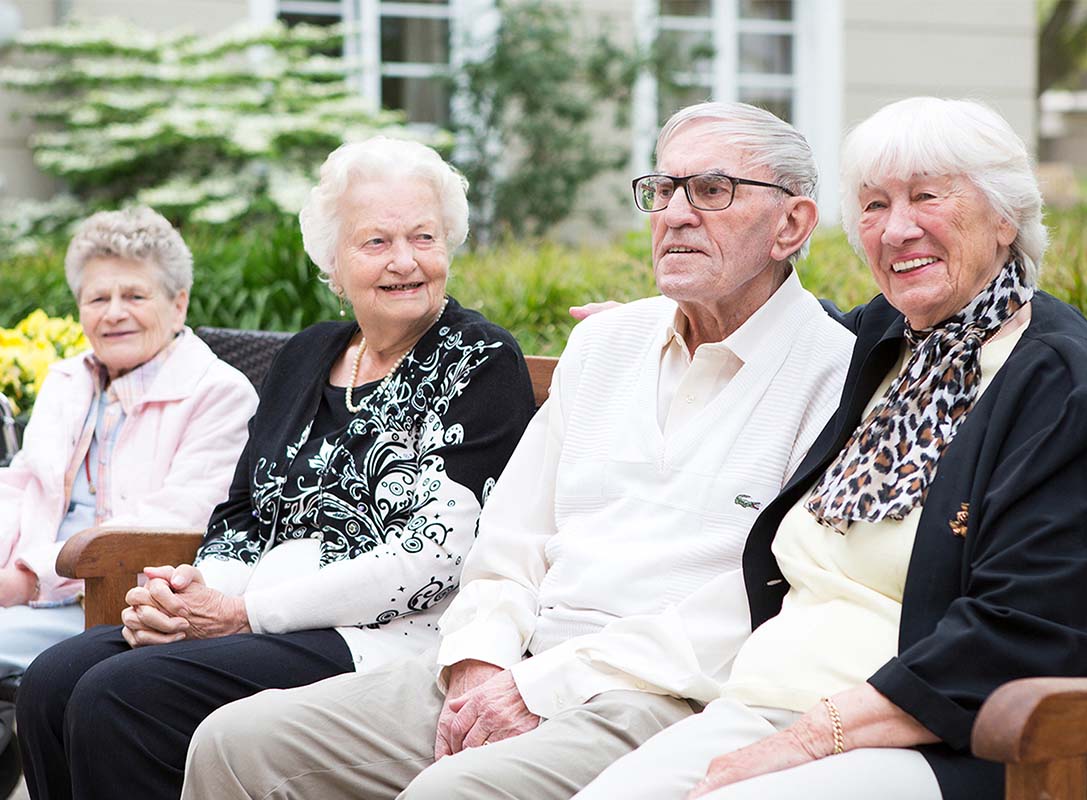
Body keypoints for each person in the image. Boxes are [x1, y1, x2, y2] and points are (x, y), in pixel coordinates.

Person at [179, 102, 856, 800]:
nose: (676, 214)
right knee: (235, 744)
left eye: (712, 191)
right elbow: (508, 544)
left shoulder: (833, 374)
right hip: (511, 657)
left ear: (792, 224)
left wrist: (539, 684)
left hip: (659, 694)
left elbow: (755, 603)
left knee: (451, 792)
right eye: (662, 190)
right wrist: (479, 656)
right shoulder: (607, 344)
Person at [552, 97, 1087, 800]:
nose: (898, 229)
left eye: (927, 197)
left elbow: (1027, 632)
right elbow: (776, 329)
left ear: (1007, 217)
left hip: (973, 742)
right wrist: (656, 329)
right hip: (774, 701)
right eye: (875, 206)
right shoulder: (891, 342)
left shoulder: (1055, 385)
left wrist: (811, 737)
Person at [17, 136, 537, 800]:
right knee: (53, 679)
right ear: (333, 262)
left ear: (449, 247)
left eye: (424, 238)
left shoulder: (477, 357)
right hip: (257, 616)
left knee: (120, 696)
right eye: (376, 243)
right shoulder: (309, 354)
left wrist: (240, 612)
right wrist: (188, 601)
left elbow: (432, 559)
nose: (405, 261)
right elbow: (243, 515)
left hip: (380, 637)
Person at [0, 206, 257, 675]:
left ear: (178, 305)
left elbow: (177, 521)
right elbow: (21, 488)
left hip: (119, 607)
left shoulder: (220, 394)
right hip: (27, 596)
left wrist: (25, 578)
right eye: (98, 299)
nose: (114, 313)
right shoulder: (66, 381)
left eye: (135, 295)